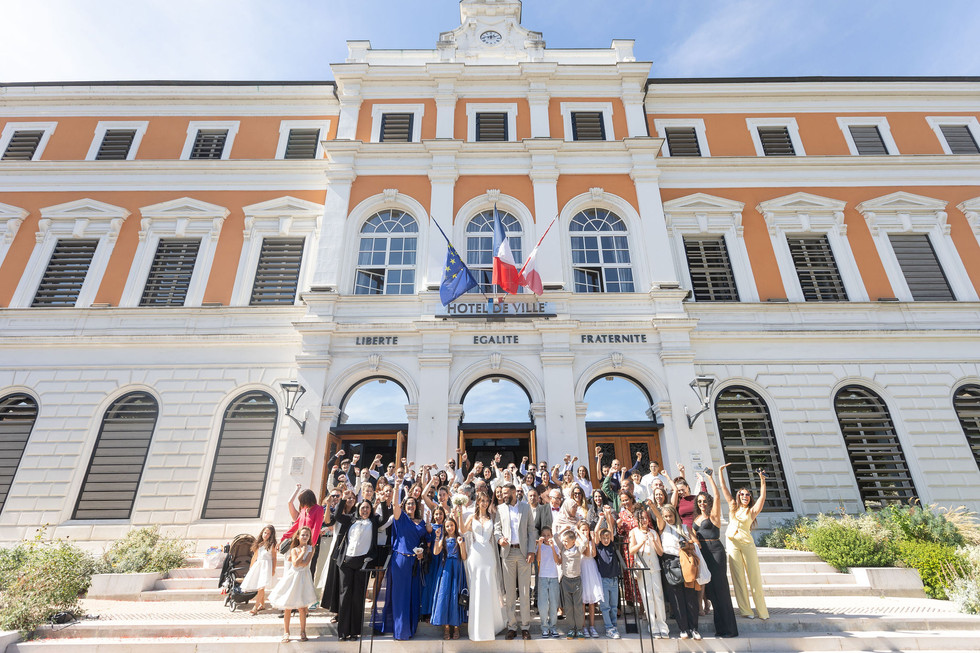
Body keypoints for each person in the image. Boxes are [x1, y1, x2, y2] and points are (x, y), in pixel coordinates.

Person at [374, 472, 432, 640]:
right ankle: (400, 631)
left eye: (414, 504)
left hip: (415, 563)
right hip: (400, 561)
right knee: (400, 596)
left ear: (416, 507)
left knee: (412, 596)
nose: (411, 506)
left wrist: (423, 552)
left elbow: (425, 540)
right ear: (405, 506)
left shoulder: (421, 522)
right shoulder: (400, 518)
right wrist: (397, 486)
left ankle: (410, 629)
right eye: (409, 504)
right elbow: (394, 505)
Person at [719, 463, 770, 620]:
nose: (745, 497)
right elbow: (724, 490)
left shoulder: (752, 511)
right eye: (742, 494)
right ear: (738, 496)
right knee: (738, 578)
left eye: (747, 495)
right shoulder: (733, 507)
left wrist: (762, 480)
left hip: (747, 544)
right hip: (732, 543)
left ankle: (762, 611)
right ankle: (746, 611)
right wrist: (720, 471)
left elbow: (762, 498)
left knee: (754, 577)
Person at [693, 468, 738, 638]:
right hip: (702, 553)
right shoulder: (697, 518)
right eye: (700, 501)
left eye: (705, 501)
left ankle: (729, 629)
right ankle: (720, 629)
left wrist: (710, 478)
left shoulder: (713, 516)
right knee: (711, 592)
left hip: (715, 551)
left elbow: (718, 497)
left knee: (721, 590)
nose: (702, 503)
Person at [335, 500, 383, 642]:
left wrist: (383, 502)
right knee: (345, 597)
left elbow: (384, 517)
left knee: (358, 598)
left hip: (362, 564)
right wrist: (342, 499)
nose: (365, 510)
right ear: (358, 508)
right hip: (346, 562)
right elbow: (337, 515)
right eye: (363, 507)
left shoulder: (373, 521)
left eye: (368, 508)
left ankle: (355, 632)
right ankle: (343, 632)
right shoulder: (351, 519)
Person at [462, 492, 506, 641]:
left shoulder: (491, 517)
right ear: (478, 502)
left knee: (489, 588)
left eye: (487, 501)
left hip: (488, 554)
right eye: (482, 501)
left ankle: (491, 627)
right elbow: (462, 530)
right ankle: (477, 630)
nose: (485, 503)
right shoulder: (471, 517)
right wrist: (456, 511)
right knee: (477, 589)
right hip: (475, 555)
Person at [493, 483, 535, 640]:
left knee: (524, 592)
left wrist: (531, 550)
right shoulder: (500, 509)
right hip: (508, 553)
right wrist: (499, 539)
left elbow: (532, 530)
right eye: (502, 493)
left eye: (505, 493)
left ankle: (525, 626)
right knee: (510, 594)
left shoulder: (525, 507)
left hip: (524, 553)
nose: (503, 495)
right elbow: (496, 529)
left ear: (513, 492)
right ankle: (512, 627)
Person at [267, 526, 317, 643]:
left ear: (309, 537)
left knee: (302, 607)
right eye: (303, 535)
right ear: (298, 537)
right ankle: (286, 632)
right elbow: (295, 563)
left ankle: (303, 631)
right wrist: (302, 553)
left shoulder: (311, 548)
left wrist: (303, 555)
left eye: (307, 535)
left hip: (304, 578)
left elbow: (305, 563)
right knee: (288, 606)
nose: (305, 537)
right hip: (293, 577)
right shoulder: (294, 549)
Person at [660, 503, 702, 640]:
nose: (668, 518)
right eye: (665, 516)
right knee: (676, 598)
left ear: (675, 515)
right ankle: (683, 628)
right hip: (670, 563)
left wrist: (688, 543)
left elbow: (697, 544)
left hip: (685, 562)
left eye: (670, 516)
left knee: (690, 597)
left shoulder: (684, 528)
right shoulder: (662, 528)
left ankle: (694, 628)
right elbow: (657, 516)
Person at [627, 506, 669, 638]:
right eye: (641, 518)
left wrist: (653, 540)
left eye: (645, 518)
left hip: (654, 566)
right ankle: (653, 625)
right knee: (648, 596)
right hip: (642, 567)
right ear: (637, 520)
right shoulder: (634, 532)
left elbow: (660, 552)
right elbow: (631, 550)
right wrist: (642, 542)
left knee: (658, 596)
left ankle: (662, 625)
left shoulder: (653, 532)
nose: (644, 520)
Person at [280, 485, 325, 587]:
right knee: (295, 569)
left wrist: (310, 546)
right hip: (299, 544)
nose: (301, 503)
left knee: (309, 570)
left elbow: (316, 528)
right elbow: (296, 525)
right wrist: (284, 537)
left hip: (310, 545)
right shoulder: (304, 510)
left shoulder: (319, 509)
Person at [430, 516, 467, 640]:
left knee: (455, 595)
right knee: (445, 595)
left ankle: (456, 626)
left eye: (452, 525)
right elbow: (436, 552)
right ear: (445, 528)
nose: (450, 528)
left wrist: (461, 545)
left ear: (455, 526)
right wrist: (437, 537)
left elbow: (464, 556)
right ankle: (446, 627)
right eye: (447, 526)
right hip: (445, 570)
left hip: (457, 569)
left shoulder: (459, 538)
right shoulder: (444, 539)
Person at [593, 512, 622, 639]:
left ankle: (614, 626)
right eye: (603, 538)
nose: (605, 540)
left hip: (614, 580)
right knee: (605, 607)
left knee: (614, 605)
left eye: (607, 538)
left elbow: (610, 529)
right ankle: (608, 628)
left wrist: (608, 515)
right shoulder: (599, 547)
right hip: (604, 580)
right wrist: (600, 519)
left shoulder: (611, 544)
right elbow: (595, 533)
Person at [557, 528, 587, 639]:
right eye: (563, 541)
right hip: (566, 581)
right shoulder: (562, 549)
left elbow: (584, 541)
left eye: (566, 541)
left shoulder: (578, 550)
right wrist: (564, 529)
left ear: (573, 541)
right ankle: (571, 629)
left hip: (576, 580)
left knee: (578, 606)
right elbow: (555, 536)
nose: (564, 543)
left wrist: (578, 531)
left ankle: (579, 629)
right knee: (568, 606)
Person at [576, 520, 603, 638]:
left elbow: (593, 554)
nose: (585, 532)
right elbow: (586, 553)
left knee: (592, 601)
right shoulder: (578, 541)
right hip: (583, 567)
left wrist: (591, 540)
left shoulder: (590, 540)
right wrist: (584, 538)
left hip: (591, 567)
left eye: (586, 529)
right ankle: (583, 627)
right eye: (583, 530)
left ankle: (592, 626)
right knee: (583, 600)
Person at [242, 524, 276, 614]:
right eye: (265, 532)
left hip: (266, 566)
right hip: (259, 566)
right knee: (260, 587)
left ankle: (255, 607)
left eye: (268, 533)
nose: (266, 535)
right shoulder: (259, 544)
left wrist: (273, 569)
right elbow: (255, 556)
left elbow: (274, 558)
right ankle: (262, 604)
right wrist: (251, 567)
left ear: (271, 535)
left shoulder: (272, 545)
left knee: (261, 587)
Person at [535, 526, 562, 639]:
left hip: (554, 577)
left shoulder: (555, 547)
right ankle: (544, 627)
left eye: (548, 535)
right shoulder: (539, 546)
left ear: (551, 536)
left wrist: (552, 547)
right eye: (544, 535)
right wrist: (540, 545)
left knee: (554, 603)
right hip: (543, 577)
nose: (546, 537)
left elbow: (558, 561)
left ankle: (553, 627)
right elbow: (538, 559)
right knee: (543, 604)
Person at [616, 490, 641, 607]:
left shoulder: (639, 511)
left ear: (631, 499)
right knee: (631, 574)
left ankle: (643, 604)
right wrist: (619, 526)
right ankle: (633, 601)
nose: (625, 502)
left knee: (641, 572)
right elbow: (620, 533)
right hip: (628, 546)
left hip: (641, 544)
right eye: (623, 500)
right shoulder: (621, 515)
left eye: (626, 499)